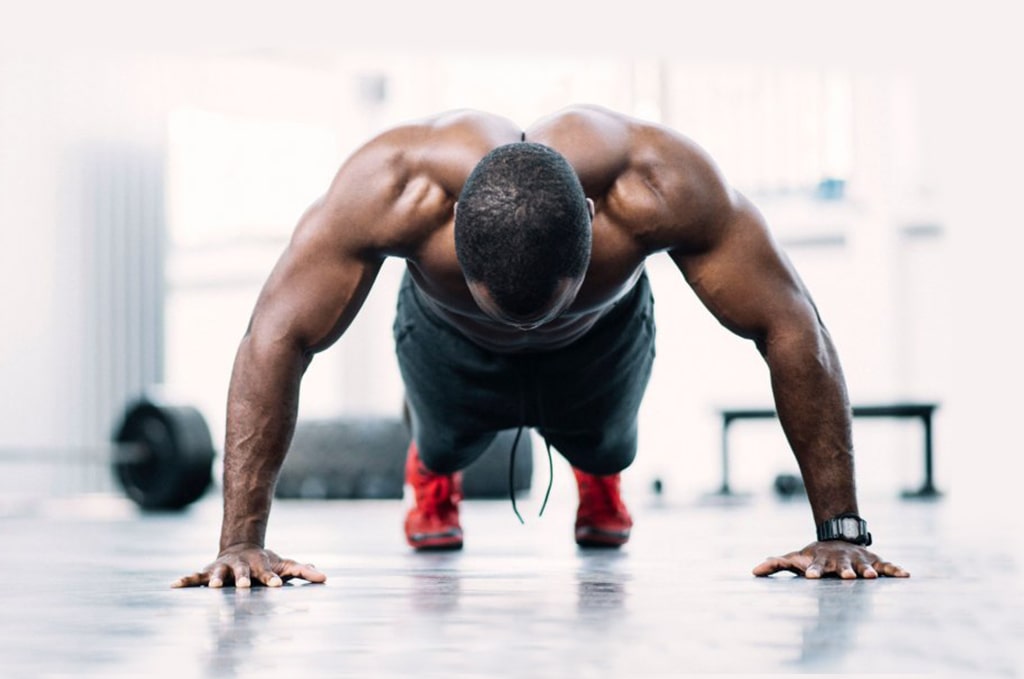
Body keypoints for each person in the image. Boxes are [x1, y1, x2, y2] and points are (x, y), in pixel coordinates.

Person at [172, 105, 909, 589]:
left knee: (606, 443)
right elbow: (276, 334)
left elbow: (789, 322)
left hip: (600, 341)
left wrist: (839, 530)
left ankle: (598, 475)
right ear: (452, 225)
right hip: (447, 341)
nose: (524, 328)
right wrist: (241, 540)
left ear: (593, 220)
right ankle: (434, 471)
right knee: (446, 439)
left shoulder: (658, 183)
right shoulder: (393, 187)